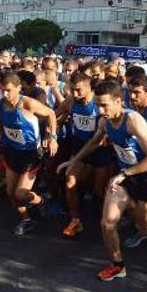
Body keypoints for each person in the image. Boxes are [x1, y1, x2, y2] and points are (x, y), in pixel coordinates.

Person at [60, 80, 147, 281]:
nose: (100, 110)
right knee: (107, 222)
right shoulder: (105, 121)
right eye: (98, 105)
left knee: (144, 227)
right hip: (124, 178)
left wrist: (126, 173)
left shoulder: (133, 121)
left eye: (104, 105)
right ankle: (117, 265)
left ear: (119, 101)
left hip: (146, 178)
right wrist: (73, 160)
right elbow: (93, 142)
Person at [0, 73, 58, 236]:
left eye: (9, 91)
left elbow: (51, 114)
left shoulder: (28, 104)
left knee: (20, 193)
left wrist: (52, 137)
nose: (5, 94)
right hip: (12, 151)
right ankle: (26, 219)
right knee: (10, 192)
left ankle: (41, 201)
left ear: (19, 88)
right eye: (2, 90)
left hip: (31, 154)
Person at [58, 72, 111, 238]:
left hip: (101, 150)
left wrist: (108, 135)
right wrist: (50, 133)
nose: (75, 94)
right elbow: (53, 116)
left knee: (99, 190)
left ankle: (108, 220)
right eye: (72, 90)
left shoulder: (100, 104)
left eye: (79, 90)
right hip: (80, 147)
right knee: (70, 181)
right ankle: (75, 220)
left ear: (89, 87)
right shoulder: (70, 102)